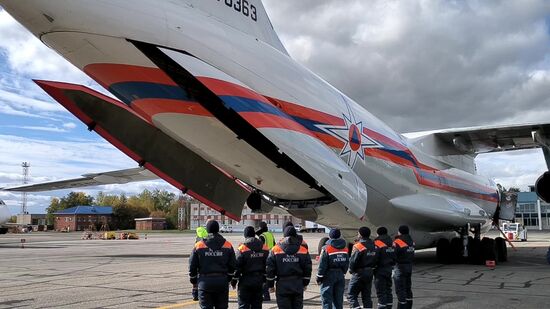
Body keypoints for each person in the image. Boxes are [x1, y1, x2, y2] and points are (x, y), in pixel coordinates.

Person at [189, 220, 236, 309]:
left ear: (207, 230)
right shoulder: (228, 245)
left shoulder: (199, 245)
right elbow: (233, 265)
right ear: (218, 229)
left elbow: (192, 265)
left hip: (205, 282)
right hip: (222, 282)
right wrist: (228, 278)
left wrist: (194, 281)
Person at [266, 226, 312, 309]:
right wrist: (305, 283)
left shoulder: (275, 249)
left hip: (282, 285)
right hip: (297, 284)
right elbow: (308, 268)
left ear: (284, 236)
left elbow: (270, 269)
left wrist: (270, 285)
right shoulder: (303, 250)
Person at [232, 226, 269, 309]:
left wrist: (234, 281)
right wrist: (266, 280)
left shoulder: (242, 248)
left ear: (245, 235)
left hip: (245, 280)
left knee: (243, 305)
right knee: (257, 305)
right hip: (259, 280)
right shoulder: (264, 247)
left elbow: (237, 267)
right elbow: (268, 265)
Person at [317, 228, 349, 309]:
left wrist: (319, 277)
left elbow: (322, 264)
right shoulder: (345, 248)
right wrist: (343, 273)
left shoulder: (326, 248)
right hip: (340, 274)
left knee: (327, 299)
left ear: (330, 236)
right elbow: (346, 262)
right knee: (338, 299)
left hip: (329, 275)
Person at [348, 226, 379, 309]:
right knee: (366, 296)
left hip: (359, 273)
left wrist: (351, 270)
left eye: (358, 233)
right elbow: (376, 258)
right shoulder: (374, 246)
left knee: (351, 295)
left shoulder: (358, 246)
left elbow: (353, 261)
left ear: (360, 235)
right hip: (369, 272)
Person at [393, 225, 414, 309]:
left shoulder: (397, 241)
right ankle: (409, 306)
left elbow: (393, 254)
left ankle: (401, 307)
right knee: (408, 288)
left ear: (400, 232)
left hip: (400, 267)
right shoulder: (411, 240)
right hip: (409, 266)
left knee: (400, 289)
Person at [374, 227, 396, 309]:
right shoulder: (392, 242)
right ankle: (389, 307)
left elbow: (375, 257)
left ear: (378, 233)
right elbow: (395, 255)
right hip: (389, 268)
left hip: (380, 269)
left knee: (381, 292)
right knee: (388, 290)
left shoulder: (377, 243)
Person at [256, 221, 275, 301]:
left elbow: (259, 248)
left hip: (264, 257)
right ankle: (267, 295)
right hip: (272, 256)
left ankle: (266, 296)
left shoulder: (262, 236)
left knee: (263, 277)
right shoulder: (270, 234)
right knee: (268, 276)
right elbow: (274, 244)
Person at [193, 226, 209, 301]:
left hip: (198, 256)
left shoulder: (198, 237)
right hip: (203, 258)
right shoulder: (206, 235)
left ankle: (195, 294)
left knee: (195, 277)